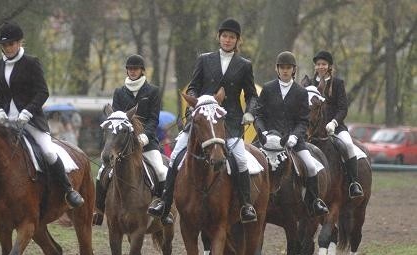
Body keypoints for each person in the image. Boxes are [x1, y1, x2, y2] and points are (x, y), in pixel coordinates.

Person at [148, 18, 259, 225]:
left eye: (232, 37)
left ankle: (245, 205)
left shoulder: (244, 65)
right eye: (225, 36)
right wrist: (194, 103)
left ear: (237, 41)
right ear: (219, 37)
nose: (227, 40)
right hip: (202, 119)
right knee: (176, 155)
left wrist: (250, 112)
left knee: (241, 159)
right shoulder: (204, 59)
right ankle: (165, 201)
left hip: (230, 120)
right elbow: (193, 87)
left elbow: (252, 94)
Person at [0, 21, 83, 211]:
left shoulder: (31, 63)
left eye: (11, 44)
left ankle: (68, 190)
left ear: (20, 42)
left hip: (31, 121)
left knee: (47, 151)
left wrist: (27, 112)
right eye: (4, 45)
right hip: (6, 122)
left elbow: (42, 92)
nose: (8, 48)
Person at [92, 54, 166, 226]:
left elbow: (154, 119)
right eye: (130, 69)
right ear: (127, 70)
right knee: (102, 171)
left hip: (147, 143)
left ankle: (163, 209)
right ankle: (99, 210)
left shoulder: (153, 91)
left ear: (141, 71)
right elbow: (117, 118)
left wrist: (144, 137)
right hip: (123, 144)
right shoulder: (119, 92)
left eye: (136, 69)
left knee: (161, 171)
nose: (132, 72)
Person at [255, 51, 328, 216]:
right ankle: (245, 203)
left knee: (310, 166)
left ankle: (314, 201)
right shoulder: (267, 88)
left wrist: (295, 136)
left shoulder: (300, 92)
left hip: (293, 140)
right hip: (267, 139)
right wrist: (264, 133)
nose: (285, 71)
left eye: (288, 68)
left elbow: (304, 120)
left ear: (294, 70)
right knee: (247, 163)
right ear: (277, 69)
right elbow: (259, 115)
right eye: (282, 68)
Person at [312, 50, 363, 198]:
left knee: (347, 145)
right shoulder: (310, 83)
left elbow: (343, 108)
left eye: (324, 64)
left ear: (329, 66)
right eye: (318, 64)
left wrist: (334, 122)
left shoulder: (338, 83)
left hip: (336, 126)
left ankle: (354, 183)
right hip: (314, 129)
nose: (321, 67)